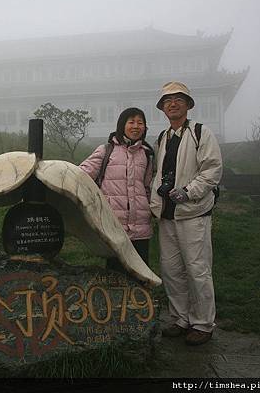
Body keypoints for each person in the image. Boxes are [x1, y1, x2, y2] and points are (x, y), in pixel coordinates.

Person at [150, 81, 222, 346]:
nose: (172, 103)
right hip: (167, 215)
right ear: (162, 107)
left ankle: (203, 323)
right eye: (167, 100)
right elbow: (157, 174)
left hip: (192, 212)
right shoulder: (163, 138)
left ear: (188, 104)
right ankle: (180, 319)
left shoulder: (201, 133)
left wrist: (189, 191)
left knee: (197, 269)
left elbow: (212, 170)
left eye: (179, 99)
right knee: (171, 270)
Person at [79, 107, 154, 272]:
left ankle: (137, 299)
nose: (136, 126)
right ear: (122, 125)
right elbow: (82, 175)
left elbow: (147, 187)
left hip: (141, 225)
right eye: (131, 122)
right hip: (114, 224)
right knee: (115, 273)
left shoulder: (147, 155)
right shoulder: (106, 150)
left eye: (140, 123)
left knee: (141, 273)